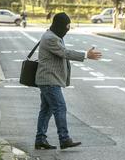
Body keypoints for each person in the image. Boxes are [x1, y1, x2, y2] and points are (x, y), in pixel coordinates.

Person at [34, 12, 102, 150]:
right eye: (66, 26)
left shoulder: (54, 35)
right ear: (59, 25)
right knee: (60, 107)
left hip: (49, 79)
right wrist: (85, 55)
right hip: (49, 80)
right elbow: (65, 53)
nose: (67, 29)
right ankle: (64, 139)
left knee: (46, 110)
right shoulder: (51, 38)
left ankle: (40, 139)